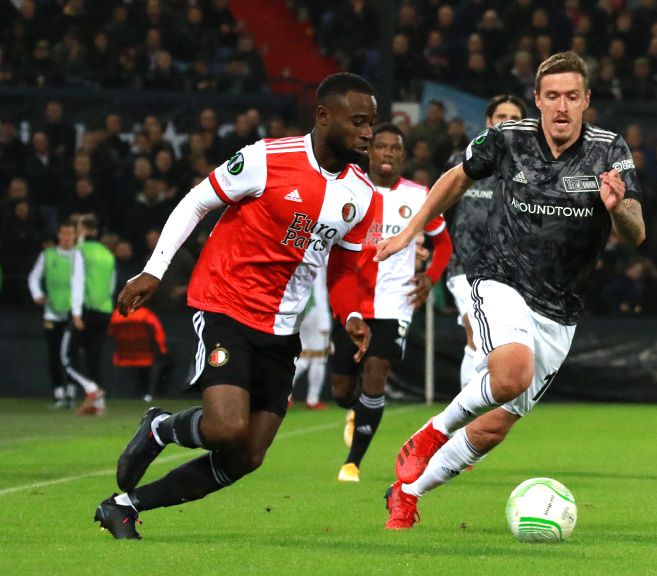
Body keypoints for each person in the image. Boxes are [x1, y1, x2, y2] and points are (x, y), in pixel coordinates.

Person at [92, 73, 378, 540]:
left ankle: (125, 506)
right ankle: (162, 429)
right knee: (225, 428)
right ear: (324, 116)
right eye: (360, 122)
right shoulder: (267, 159)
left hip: (284, 328)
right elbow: (195, 202)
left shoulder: (361, 194)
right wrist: (154, 269)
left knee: (247, 455)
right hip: (227, 305)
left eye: (373, 123)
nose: (369, 133)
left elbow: (344, 269)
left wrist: (351, 314)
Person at [375, 51, 645, 530]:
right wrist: (412, 230)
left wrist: (619, 207)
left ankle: (407, 493)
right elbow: (457, 177)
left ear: (587, 101)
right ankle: (432, 432)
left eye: (572, 97)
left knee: (495, 424)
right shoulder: (508, 138)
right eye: (553, 97)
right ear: (537, 101)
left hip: (561, 309)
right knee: (512, 372)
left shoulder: (610, 150)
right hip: (502, 279)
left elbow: (636, 234)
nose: (562, 107)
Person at [328, 123, 452, 483]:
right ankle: (355, 411)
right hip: (350, 300)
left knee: (376, 372)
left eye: (394, 148)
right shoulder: (348, 189)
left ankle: (353, 462)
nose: (387, 153)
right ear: (370, 152)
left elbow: (443, 244)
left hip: (394, 303)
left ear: (403, 155)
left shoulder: (419, 196)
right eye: (380, 147)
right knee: (341, 390)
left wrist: (430, 278)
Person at [445, 94, 527, 388]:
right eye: (502, 117)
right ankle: (468, 413)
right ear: (489, 123)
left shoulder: (530, 172)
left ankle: (484, 404)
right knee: (475, 331)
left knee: (498, 343)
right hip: (464, 267)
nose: (508, 123)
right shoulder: (461, 162)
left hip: (509, 271)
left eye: (515, 119)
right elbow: (439, 208)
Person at [65, 214, 116, 416]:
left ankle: (91, 390)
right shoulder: (108, 254)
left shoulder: (80, 252)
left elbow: (78, 282)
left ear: (84, 230)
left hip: (86, 310)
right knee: (94, 357)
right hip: (105, 311)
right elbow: (111, 285)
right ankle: (100, 404)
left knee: (68, 357)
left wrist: (76, 314)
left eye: (78, 228)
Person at [27, 220, 77, 408]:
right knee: (54, 353)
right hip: (52, 313)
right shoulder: (48, 255)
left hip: (73, 312)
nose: (66, 237)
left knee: (72, 354)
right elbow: (33, 277)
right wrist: (38, 295)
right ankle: (59, 393)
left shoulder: (78, 256)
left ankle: (71, 393)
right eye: (63, 233)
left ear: (74, 235)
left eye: (70, 233)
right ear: (59, 235)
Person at [291, 272, 330, 410]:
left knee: (303, 357)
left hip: (297, 311)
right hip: (315, 312)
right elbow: (319, 292)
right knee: (319, 358)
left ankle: (285, 395)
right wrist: (324, 320)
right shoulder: (318, 258)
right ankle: (313, 399)